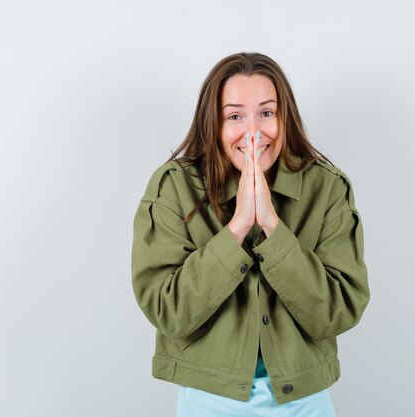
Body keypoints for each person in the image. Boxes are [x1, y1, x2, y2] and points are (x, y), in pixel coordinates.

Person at [131, 52, 370, 416]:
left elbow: (339, 311)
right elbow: (169, 311)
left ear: (284, 117)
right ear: (214, 123)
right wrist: (238, 226)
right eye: (235, 116)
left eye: (267, 113)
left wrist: (273, 226)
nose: (253, 132)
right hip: (207, 401)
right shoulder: (173, 188)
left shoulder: (328, 188)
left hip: (304, 403)